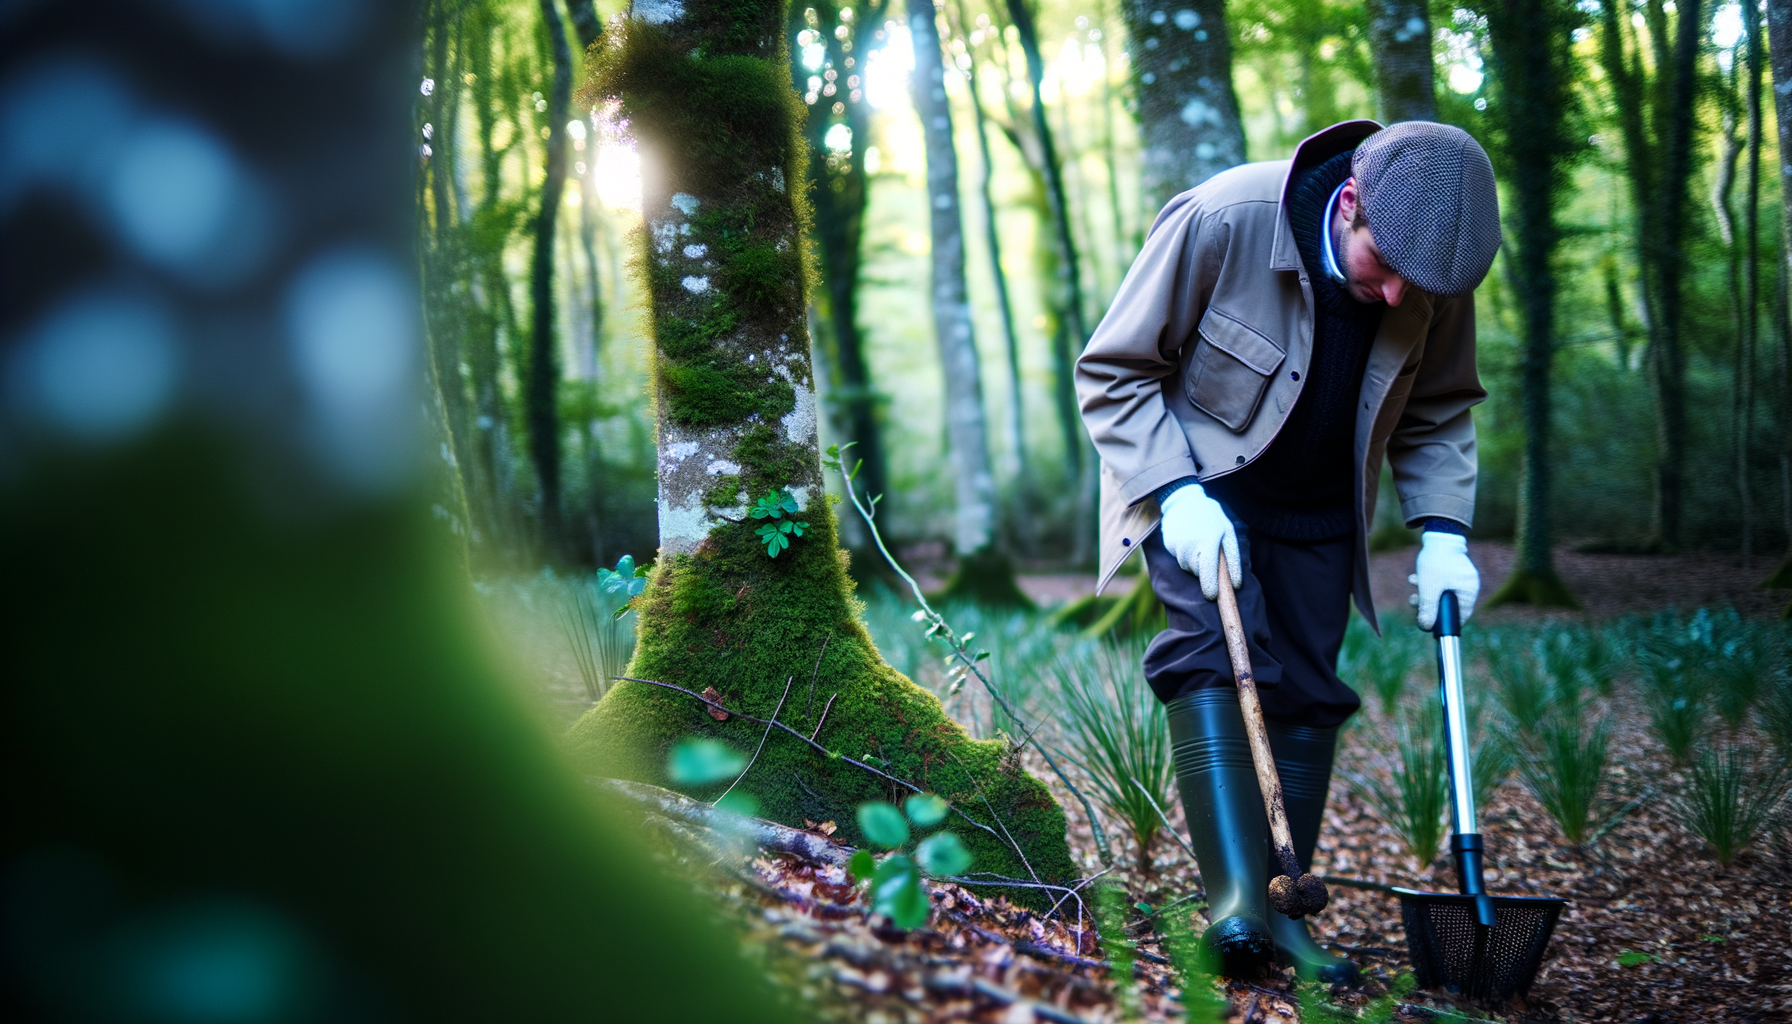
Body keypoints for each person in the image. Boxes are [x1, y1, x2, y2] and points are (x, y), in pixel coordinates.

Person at [1075, 119, 1499, 981]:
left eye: (1416, 289)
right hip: (1198, 488)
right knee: (1208, 656)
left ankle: (1285, 915)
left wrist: (1445, 535)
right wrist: (1177, 495)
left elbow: (1441, 410)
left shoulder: (1436, 268)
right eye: (1386, 273)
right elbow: (1115, 372)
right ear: (1349, 206)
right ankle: (1235, 904)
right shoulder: (1224, 219)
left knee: (1309, 690)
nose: (1394, 301)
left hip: (1321, 511)